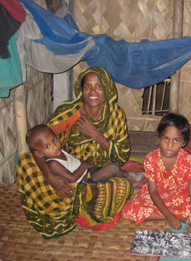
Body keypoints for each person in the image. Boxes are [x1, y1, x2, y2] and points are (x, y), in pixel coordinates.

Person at [16, 66, 137, 238]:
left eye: (99, 86)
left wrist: (96, 135)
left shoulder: (116, 115)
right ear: (81, 90)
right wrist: (49, 176)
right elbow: (39, 146)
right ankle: (78, 203)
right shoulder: (70, 112)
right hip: (67, 172)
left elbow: (121, 155)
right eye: (88, 86)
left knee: (121, 187)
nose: (93, 91)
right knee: (25, 163)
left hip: (96, 171)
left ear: (107, 89)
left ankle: (84, 199)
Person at [122, 113, 191, 242]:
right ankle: (179, 216)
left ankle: (181, 216)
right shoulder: (151, 159)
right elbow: (153, 191)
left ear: (184, 142)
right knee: (130, 211)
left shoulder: (187, 160)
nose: (170, 145)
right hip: (158, 196)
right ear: (159, 137)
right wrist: (169, 216)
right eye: (166, 139)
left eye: (176, 140)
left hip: (182, 196)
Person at [26, 124, 124, 184]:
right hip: (84, 181)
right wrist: (84, 165)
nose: (54, 146)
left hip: (87, 172)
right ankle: (126, 177)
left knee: (114, 163)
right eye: (47, 146)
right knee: (112, 169)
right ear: (39, 154)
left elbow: (69, 162)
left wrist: (67, 150)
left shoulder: (58, 152)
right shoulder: (53, 164)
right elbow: (72, 178)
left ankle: (121, 177)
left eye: (54, 140)